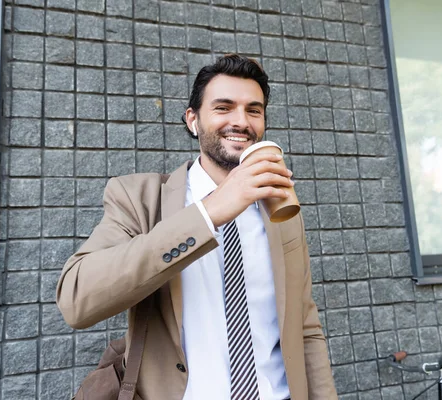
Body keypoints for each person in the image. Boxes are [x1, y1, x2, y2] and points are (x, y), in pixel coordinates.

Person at [56, 54, 337, 400]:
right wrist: (211, 212)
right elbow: (76, 300)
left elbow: (306, 327)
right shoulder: (138, 198)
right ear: (193, 120)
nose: (241, 121)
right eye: (223, 108)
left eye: (253, 110)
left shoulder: (280, 211)